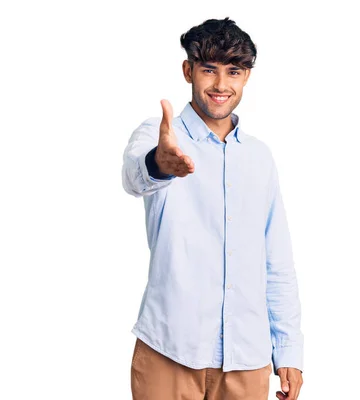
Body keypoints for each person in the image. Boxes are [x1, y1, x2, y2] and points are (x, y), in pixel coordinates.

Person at [121, 17, 304, 400]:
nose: (221, 85)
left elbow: (277, 260)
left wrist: (288, 349)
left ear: (247, 77)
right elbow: (136, 177)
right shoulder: (159, 136)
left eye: (233, 71)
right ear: (188, 70)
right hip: (168, 351)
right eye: (209, 70)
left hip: (247, 359)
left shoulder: (259, 157)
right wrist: (160, 163)